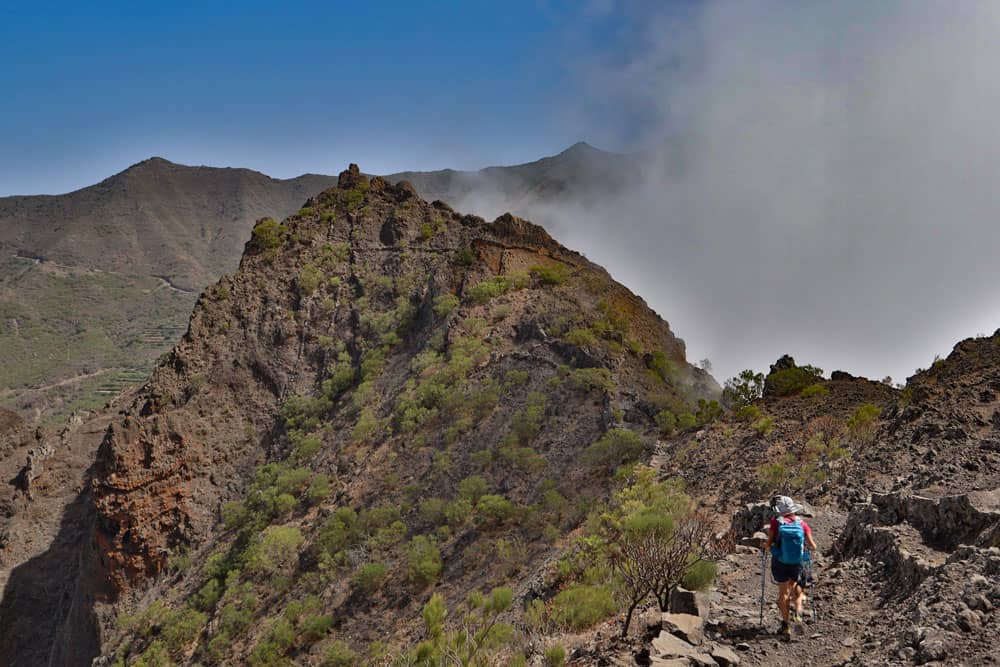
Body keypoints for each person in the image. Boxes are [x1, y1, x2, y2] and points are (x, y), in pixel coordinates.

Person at [761, 495, 818, 639]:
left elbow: (768, 544)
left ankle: (786, 625)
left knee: (783, 592)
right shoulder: (801, 523)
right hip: (797, 562)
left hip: (780, 561)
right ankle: (797, 612)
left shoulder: (776, 522)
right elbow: (814, 546)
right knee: (795, 587)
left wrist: (766, 547)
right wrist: (804, 549)